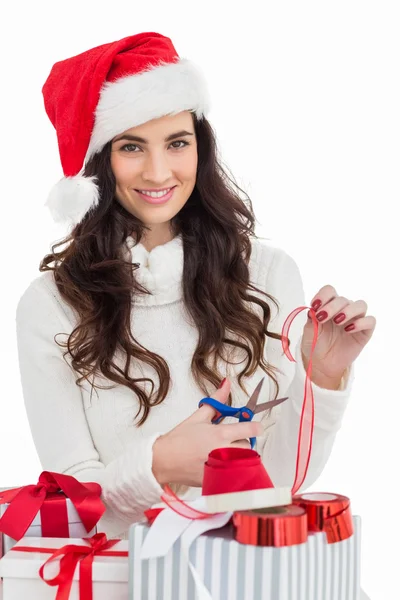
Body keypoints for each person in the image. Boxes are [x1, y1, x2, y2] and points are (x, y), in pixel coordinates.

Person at [15, 32, 376, 539]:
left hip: (244, 575)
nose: (159, 171)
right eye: (131, 146)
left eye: (177, 143)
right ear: (98, 161)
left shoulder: (267, 275)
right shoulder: (52, 305)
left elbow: (277, 486)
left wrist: (322, 378)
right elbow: (74, 504)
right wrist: (158, 464)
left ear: (199, 147)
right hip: (127, 580)